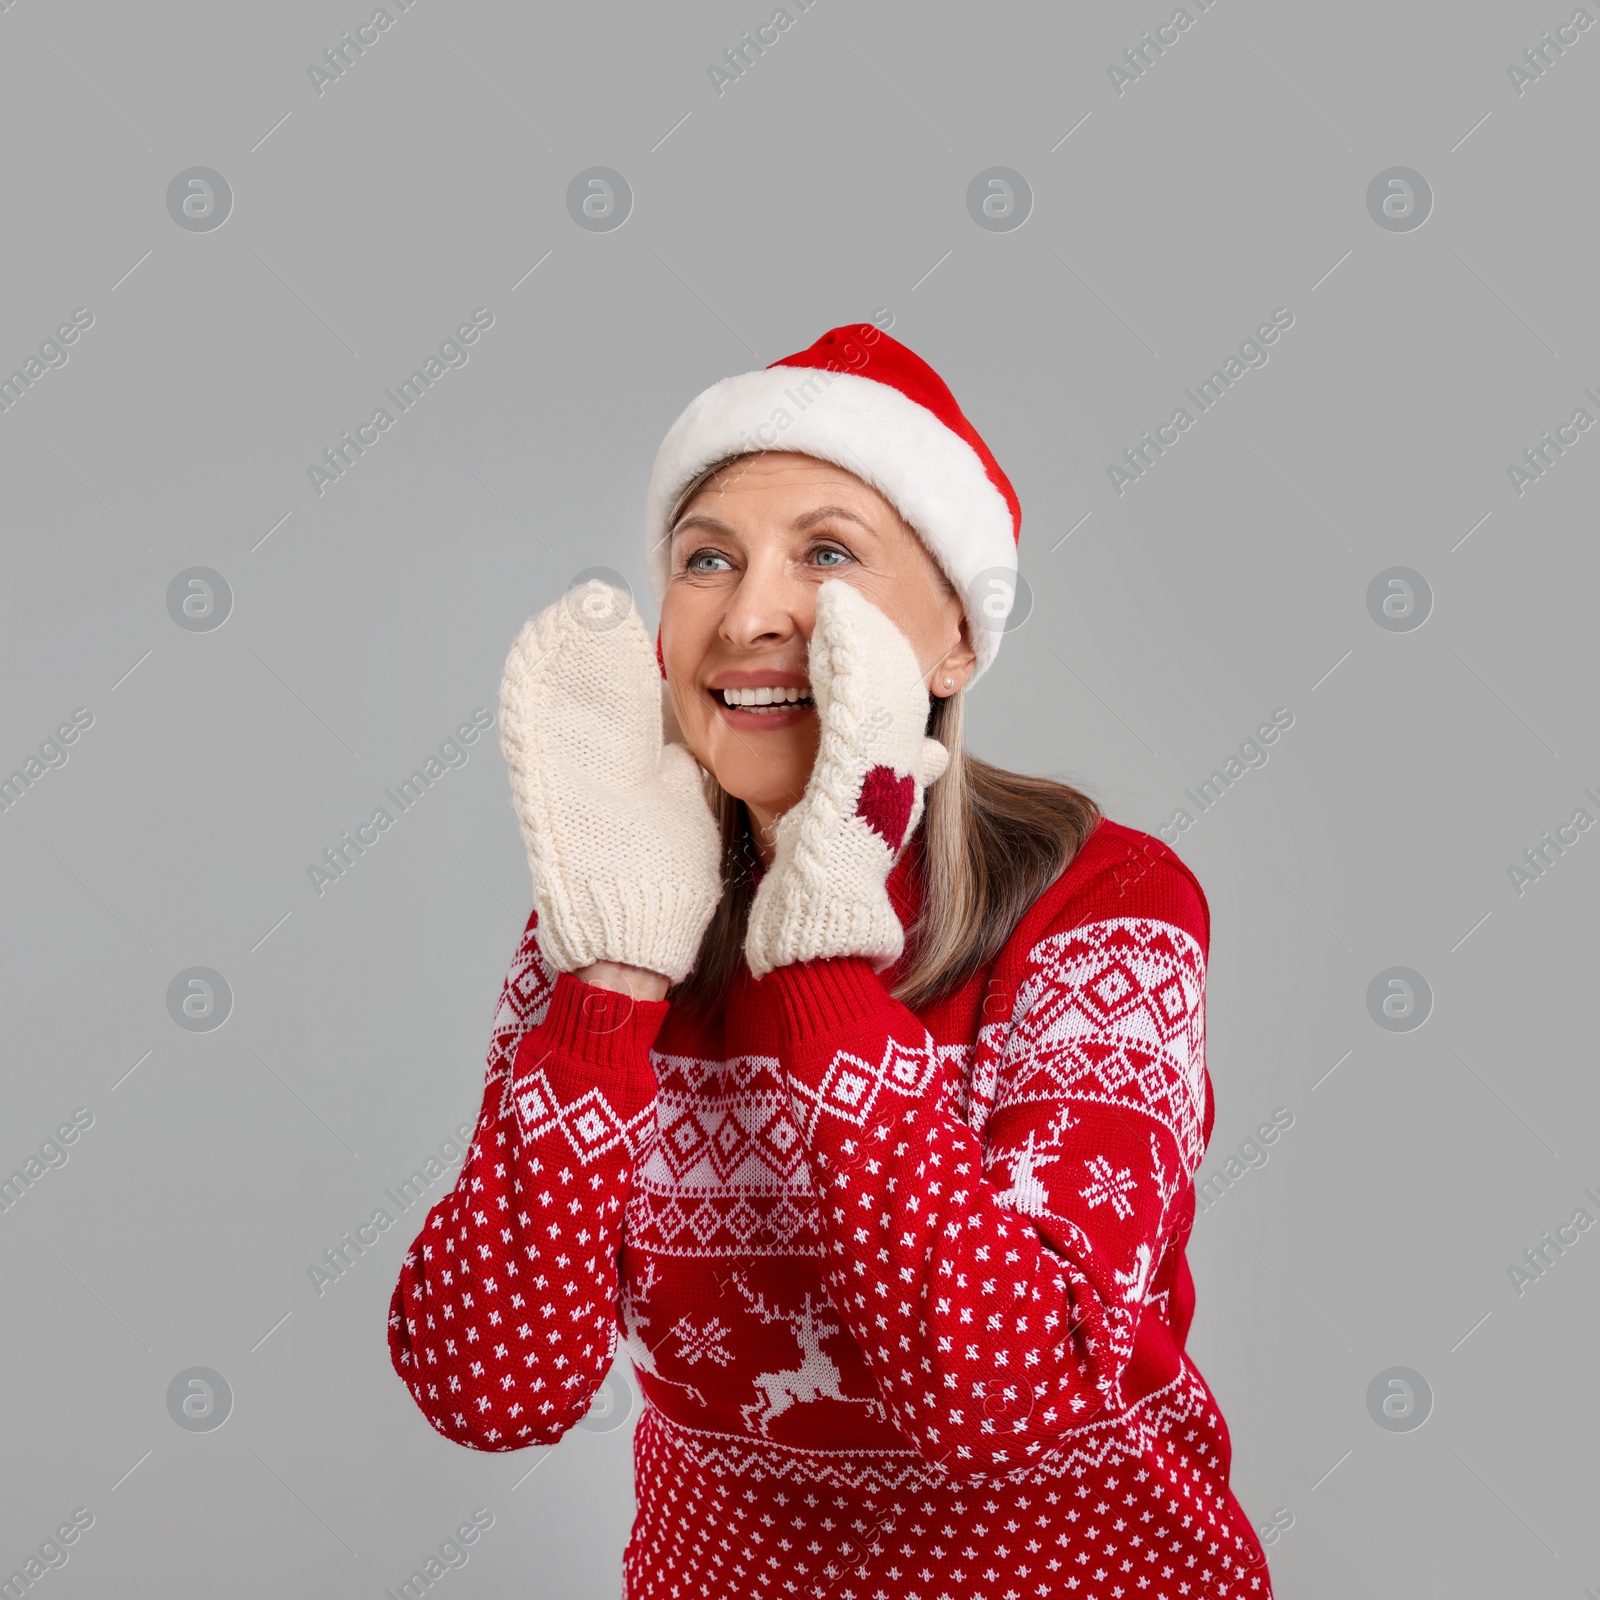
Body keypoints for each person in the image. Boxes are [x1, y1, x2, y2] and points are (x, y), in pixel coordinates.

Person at [387, 323, 1274, 1600]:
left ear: (956, 640)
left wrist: (818, 952)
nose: (752, 612)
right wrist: (612, 986)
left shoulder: (1105, 905)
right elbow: (490, 1384)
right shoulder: (601, 930)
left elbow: (1006, 1396)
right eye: (706, 560)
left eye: (826, 553)